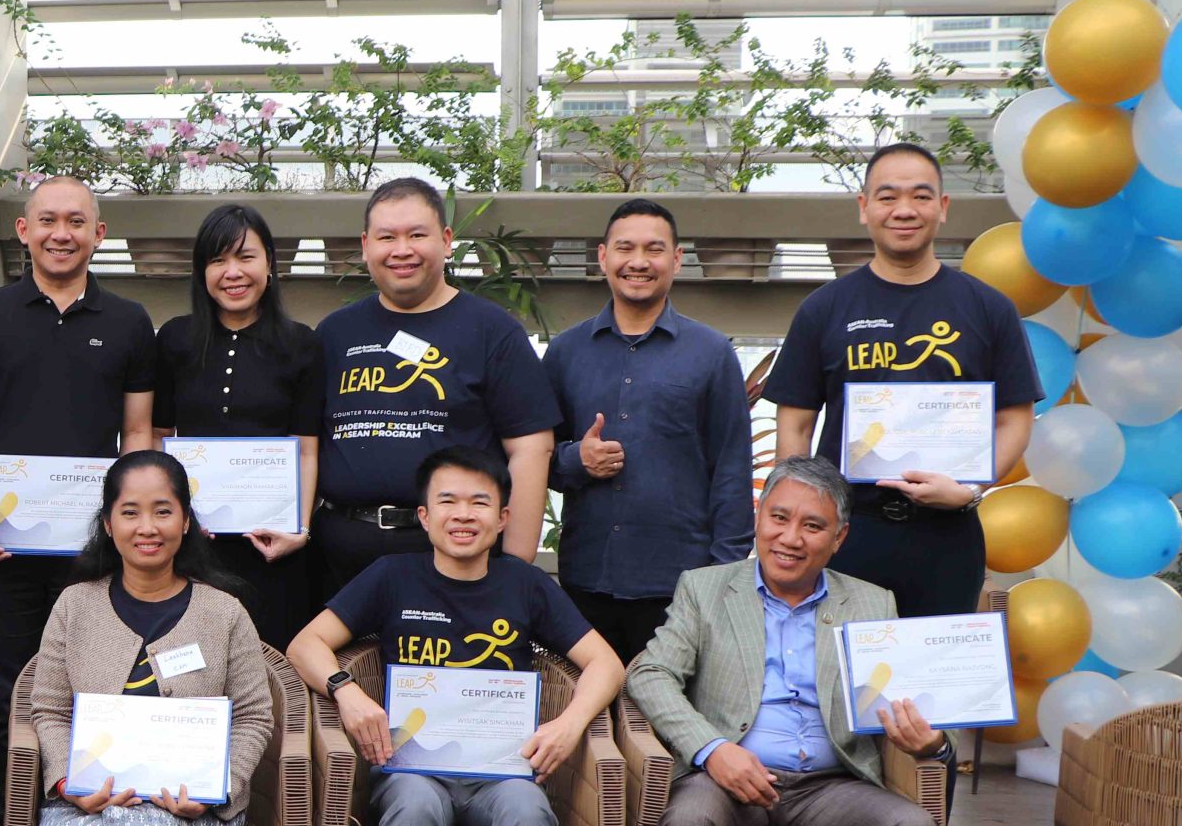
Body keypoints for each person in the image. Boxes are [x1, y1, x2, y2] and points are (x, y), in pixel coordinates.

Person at [626, 455, 949, 826]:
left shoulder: (873, 603)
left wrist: (931, 742)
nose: (791, 538)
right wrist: (712, 749)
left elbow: (911, 699)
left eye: (812, 525)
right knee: (687, 823)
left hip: (830, 789)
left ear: (839, 538)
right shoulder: (706, 589)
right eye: (779, 517)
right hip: (729, 782)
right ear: (759, 517)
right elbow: (650, 673)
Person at [287, 446, 623, 826]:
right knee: (413, 809)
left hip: (503, 779)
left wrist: (569, 723)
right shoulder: (392, 576)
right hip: (414, 773)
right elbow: (304, 645)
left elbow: (606, 664)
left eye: (479, 502)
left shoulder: (526, 584)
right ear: (424, 516)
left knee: (529, 813)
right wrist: (347, 692)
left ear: (503, 518)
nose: (463, 514)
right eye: (448, 501)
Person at [0, 175, 158, 826]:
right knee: (15, 697)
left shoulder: (128, 321)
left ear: (99, 233)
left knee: (95, 695)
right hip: (5, 553)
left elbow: (138, 433)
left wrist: (131, 528)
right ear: (24, 231)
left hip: (95, 555)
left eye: (76, 221)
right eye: (47, 220)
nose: (61, 233)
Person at [23, 451, 273, 826]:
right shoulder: (75, 605)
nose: (147, 527)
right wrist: (69, 784)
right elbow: (48, 709)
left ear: (185, 520)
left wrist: (216, 790)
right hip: (89, 802)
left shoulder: (223, 613)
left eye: (163, 511)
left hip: (191, 808)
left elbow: (255, 716)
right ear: (108, 522)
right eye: (130, 511)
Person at [765, 143, 1038, 619]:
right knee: (839, 660)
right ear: (864, 207)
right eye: (888, 197)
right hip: (847, 531)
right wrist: (800, 519)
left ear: (943, 207)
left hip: (947, 533)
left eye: (921, 196)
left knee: (935, 662)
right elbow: (796, 425)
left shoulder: (989, 309)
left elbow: (1015, 419)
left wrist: (970, 488)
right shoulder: (824, 308)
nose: (904, 210)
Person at [314, 177, 557, 592]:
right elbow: (305, 443)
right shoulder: (334, 333)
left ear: (446, 241)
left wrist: (514, 568)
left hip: (452, 561)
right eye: (387, 237)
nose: (402, 250)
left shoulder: (492, 331)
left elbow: (531, 448)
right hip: (338, 561)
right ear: (365, 246)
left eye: (417, 235)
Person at [543, 198, 754, 662]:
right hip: (586, 579)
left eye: (654, 249)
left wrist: (725, 579)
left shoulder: (711, 353)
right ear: (603, 257)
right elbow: (535, 459)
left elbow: (732, 471)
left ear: (676, 259)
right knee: (589, 704)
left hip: (682, 586)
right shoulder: (565, 352)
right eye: (625, 248)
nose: (638, 262)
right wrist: (576, 459)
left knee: (668, 706)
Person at [153, 201, 322, 647]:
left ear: (269, 263)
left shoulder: (302, 344)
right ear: (201, 272)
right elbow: (158, 437)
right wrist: (172, 514)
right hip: (192, 547)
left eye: (246, 257)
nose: (233, 273)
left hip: (272, 548)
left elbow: (306, 448)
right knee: (188, 660)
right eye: (218, 260)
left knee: (273, 663)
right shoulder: (174, 339)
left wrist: (300, 530)